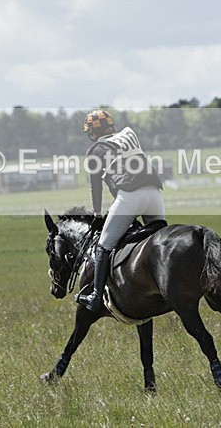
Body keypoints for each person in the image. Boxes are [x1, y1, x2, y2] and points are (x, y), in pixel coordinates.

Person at [75, 109, 165, 313]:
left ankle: (96, 297)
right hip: (154, 193)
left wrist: (97, 214)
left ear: (92, 133)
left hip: (130, 196)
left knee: (103, 245)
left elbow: (95, 187)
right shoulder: (129, 133)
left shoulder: (95, 149)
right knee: (158, 243)